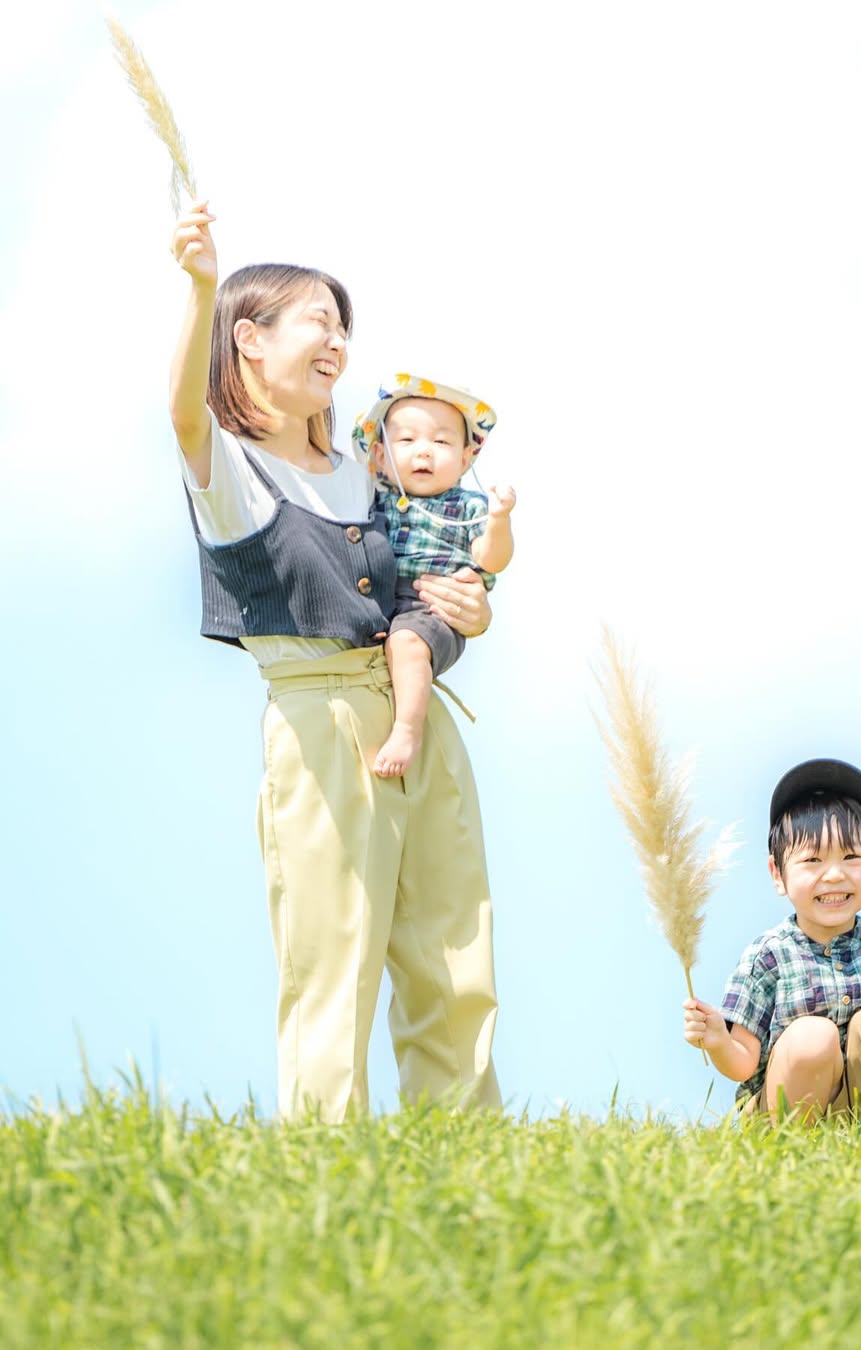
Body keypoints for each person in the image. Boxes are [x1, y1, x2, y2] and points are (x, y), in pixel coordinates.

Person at [168, 201, 502, 1121]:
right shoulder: (232, 472)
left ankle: (468, 1160)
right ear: (248, 338)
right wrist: (200, 286)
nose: (338, 341)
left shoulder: (369, 475)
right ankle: (328, 1165)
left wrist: (465, 608)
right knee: (335, 960)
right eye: (318, 319)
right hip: (318, 724)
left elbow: (426, 592)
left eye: (341, 326)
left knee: (454, 956)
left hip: (417, 714)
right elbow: (184, 416)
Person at [683, 759, 861, 1121]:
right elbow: (743, 1064)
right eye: (813, 860)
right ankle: (789, 1150)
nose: (834, 874)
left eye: (851, 856)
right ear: (778, 874)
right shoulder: (769, 955)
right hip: (788, 1111)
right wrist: (718, 1040)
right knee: (813, 1037)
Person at [352, 376, 516, 778]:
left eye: (441, 442)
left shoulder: (465, 506)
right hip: (382, 600)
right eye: (406, 441)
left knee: (407, 643)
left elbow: (491, 560)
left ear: (464, 459)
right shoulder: (370, 500)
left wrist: (499, 519)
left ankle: (408, 731)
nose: (424, 450)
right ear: (380, 455)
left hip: (430, 608)